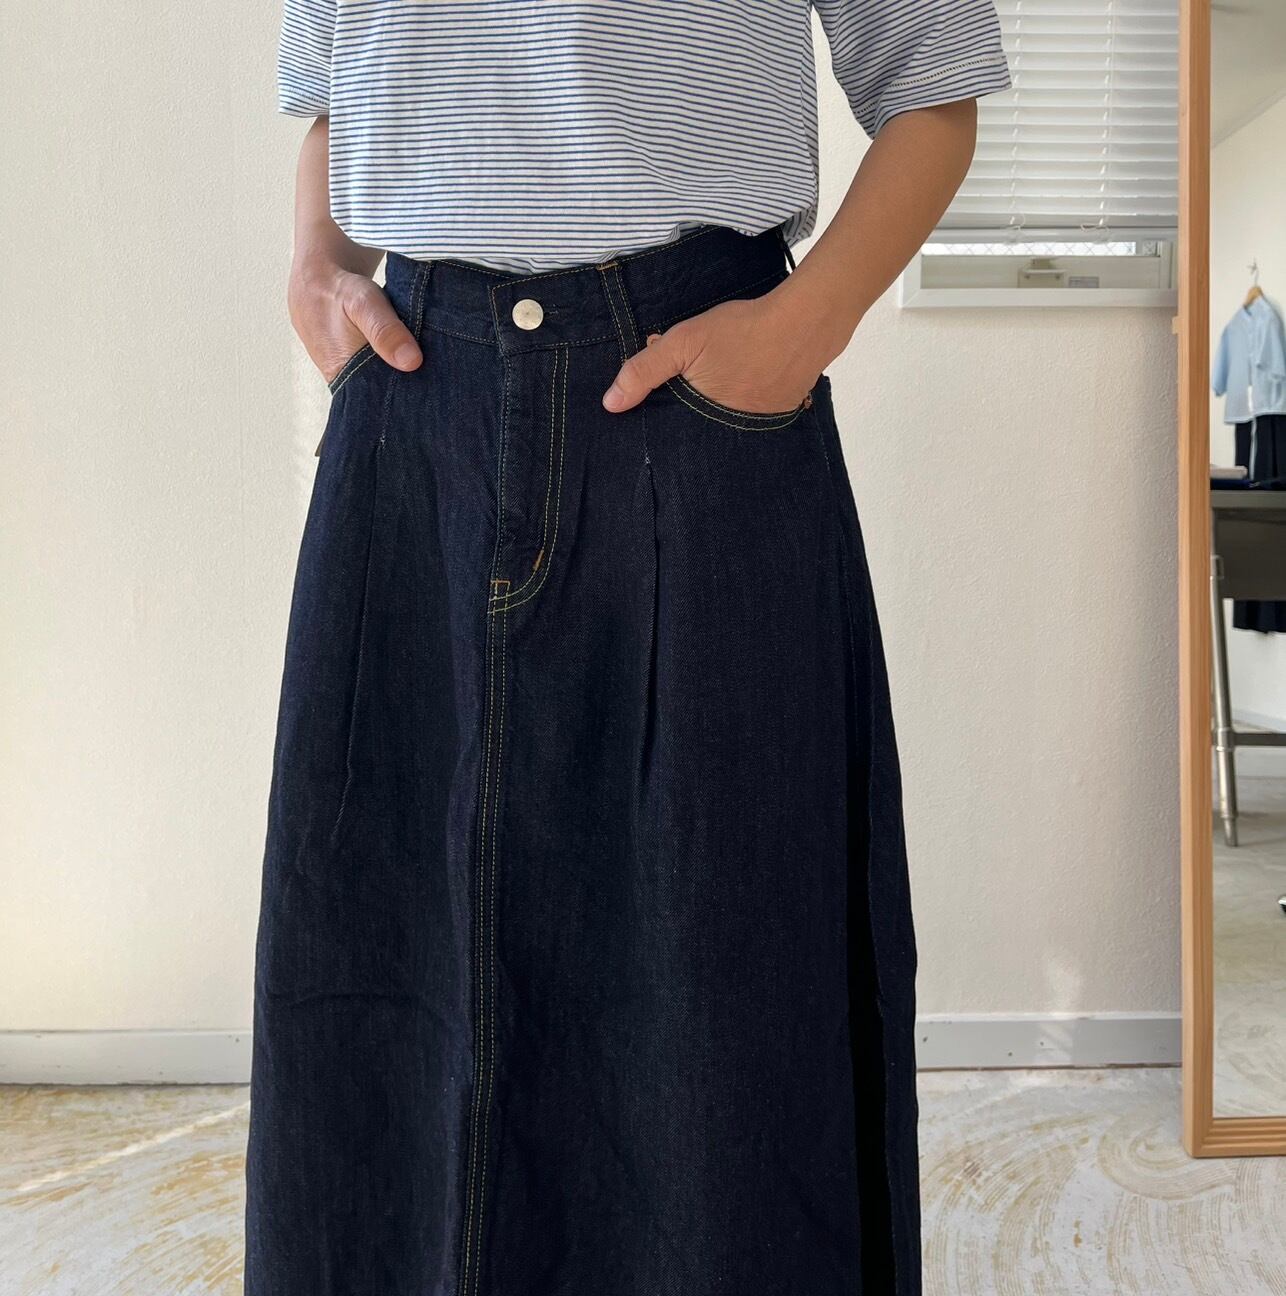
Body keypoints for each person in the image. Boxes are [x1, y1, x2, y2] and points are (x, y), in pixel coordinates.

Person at [246, 4, 1010, 1294]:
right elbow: (338, 79)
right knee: (382, 973)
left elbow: (932, 84)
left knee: (725, 1004)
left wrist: (803, 325)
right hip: (414, 408)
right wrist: (316, 263)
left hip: (696, 398)